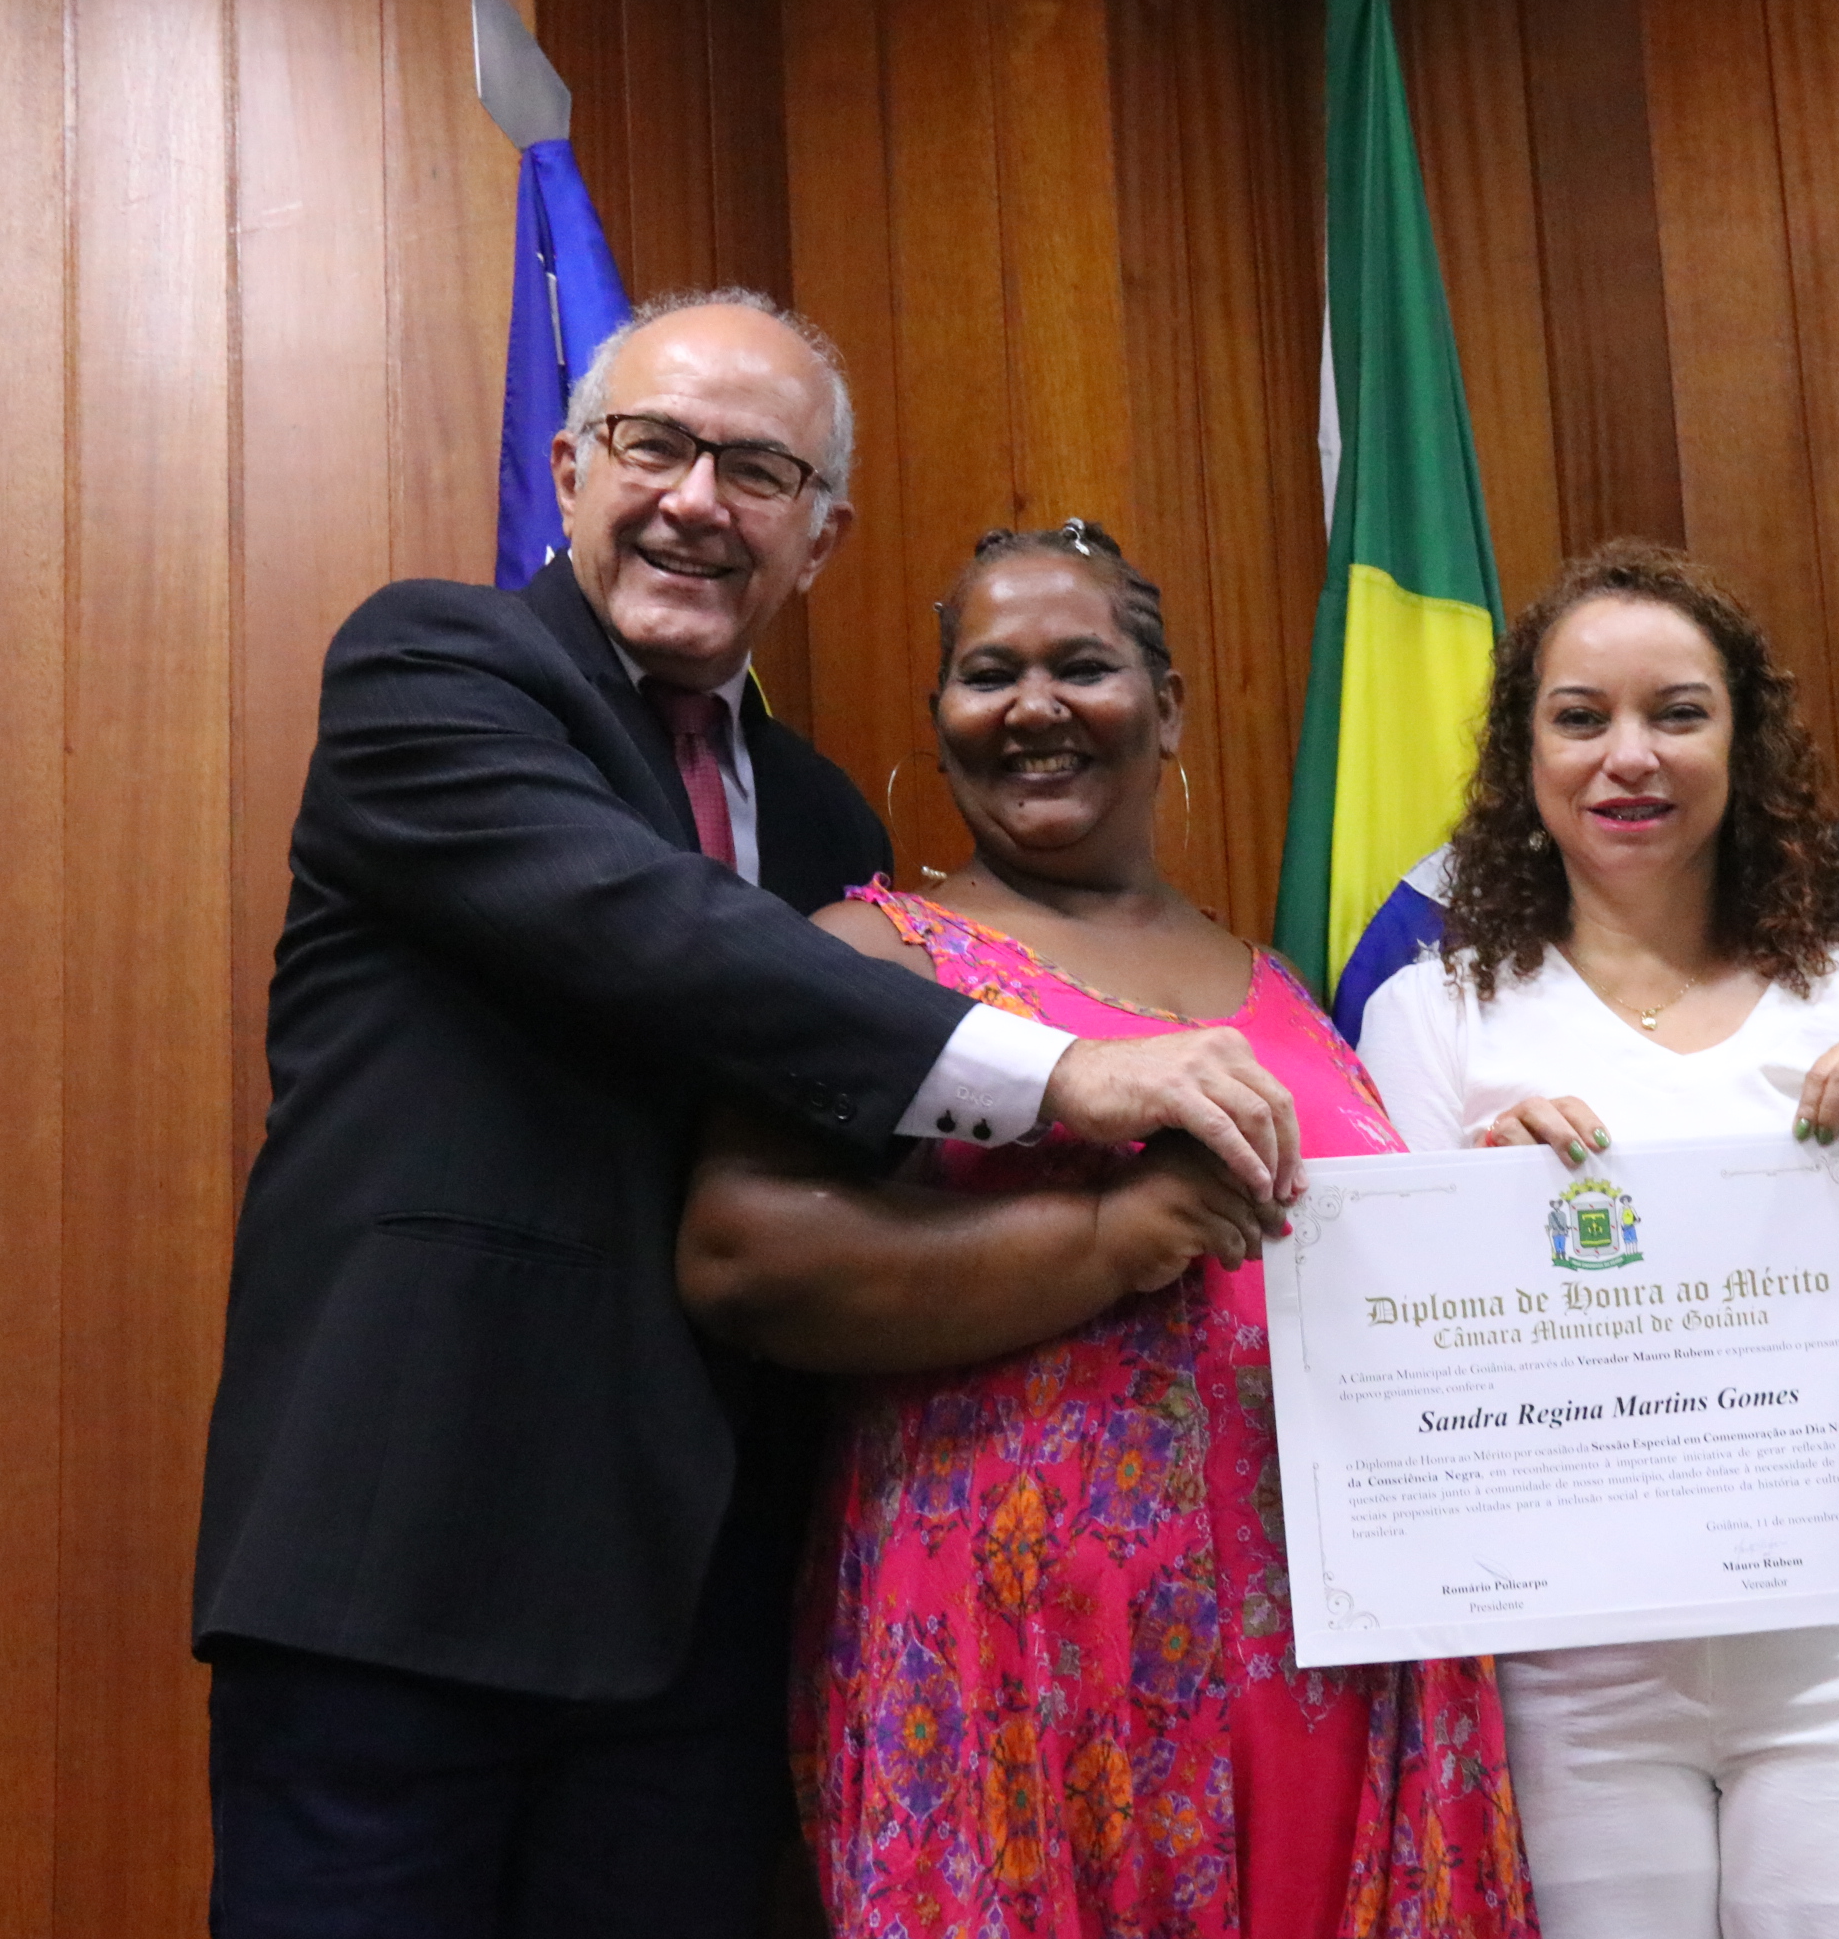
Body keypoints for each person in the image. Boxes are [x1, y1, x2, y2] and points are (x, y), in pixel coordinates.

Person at [193, 293, 1306, 1938]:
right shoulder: (434, 668)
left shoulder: (821, 817)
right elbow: (652, 934)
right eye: (654, 446)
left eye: (759, 470)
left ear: (819, 536)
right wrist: (1065, 1072)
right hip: (409, 1556)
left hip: (701, 1609)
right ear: (569, 470)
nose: (697, 501)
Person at [677, 520, 1538, 1939]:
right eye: (989, 675)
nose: (1035, 707)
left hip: (1331, 1658)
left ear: (1169, 705)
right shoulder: (872, 955)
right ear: (941, 720)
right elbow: (742, 1259)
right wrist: (1115, 1235)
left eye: (1081, 666)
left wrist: (1495, 1212)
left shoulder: (1279, 983)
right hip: (1023, 1658)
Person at [1353, 540, 1839, 1939]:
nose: (1630, 757)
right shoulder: (1431, 1016)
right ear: (1523, 753)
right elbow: (1386, 1402)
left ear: (1743, 741)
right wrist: (1477, 1225)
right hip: (1564, 1667)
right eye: (1580, 717)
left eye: (1678, 713)